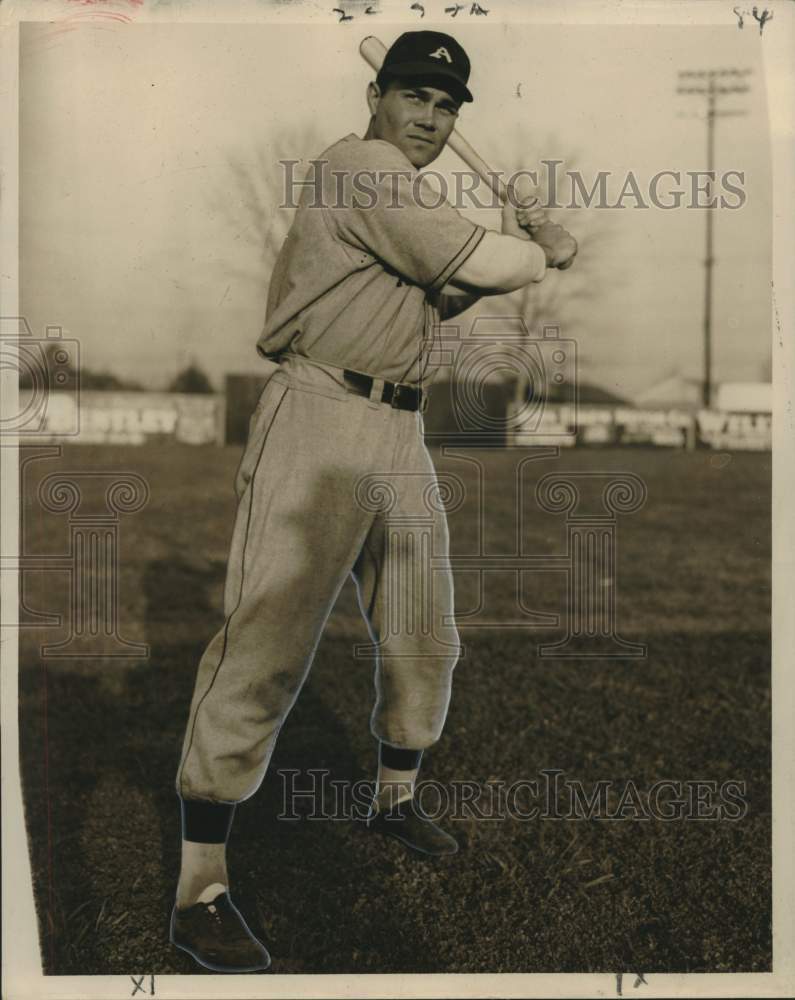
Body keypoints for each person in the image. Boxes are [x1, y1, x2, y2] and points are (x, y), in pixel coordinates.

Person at [170, 29, 577, 973]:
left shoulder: (406, 194)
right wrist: (539, 248)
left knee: (423, 627)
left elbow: (445, 292)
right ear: (378, 98)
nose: (429, 118)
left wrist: (514, 251)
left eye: (445, 106)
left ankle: (392, 802)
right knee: (267, 641)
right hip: (318, 414)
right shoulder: (357, 165)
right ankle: (201, 885)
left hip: (397, 424)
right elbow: (484, 264)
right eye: (413, 97)